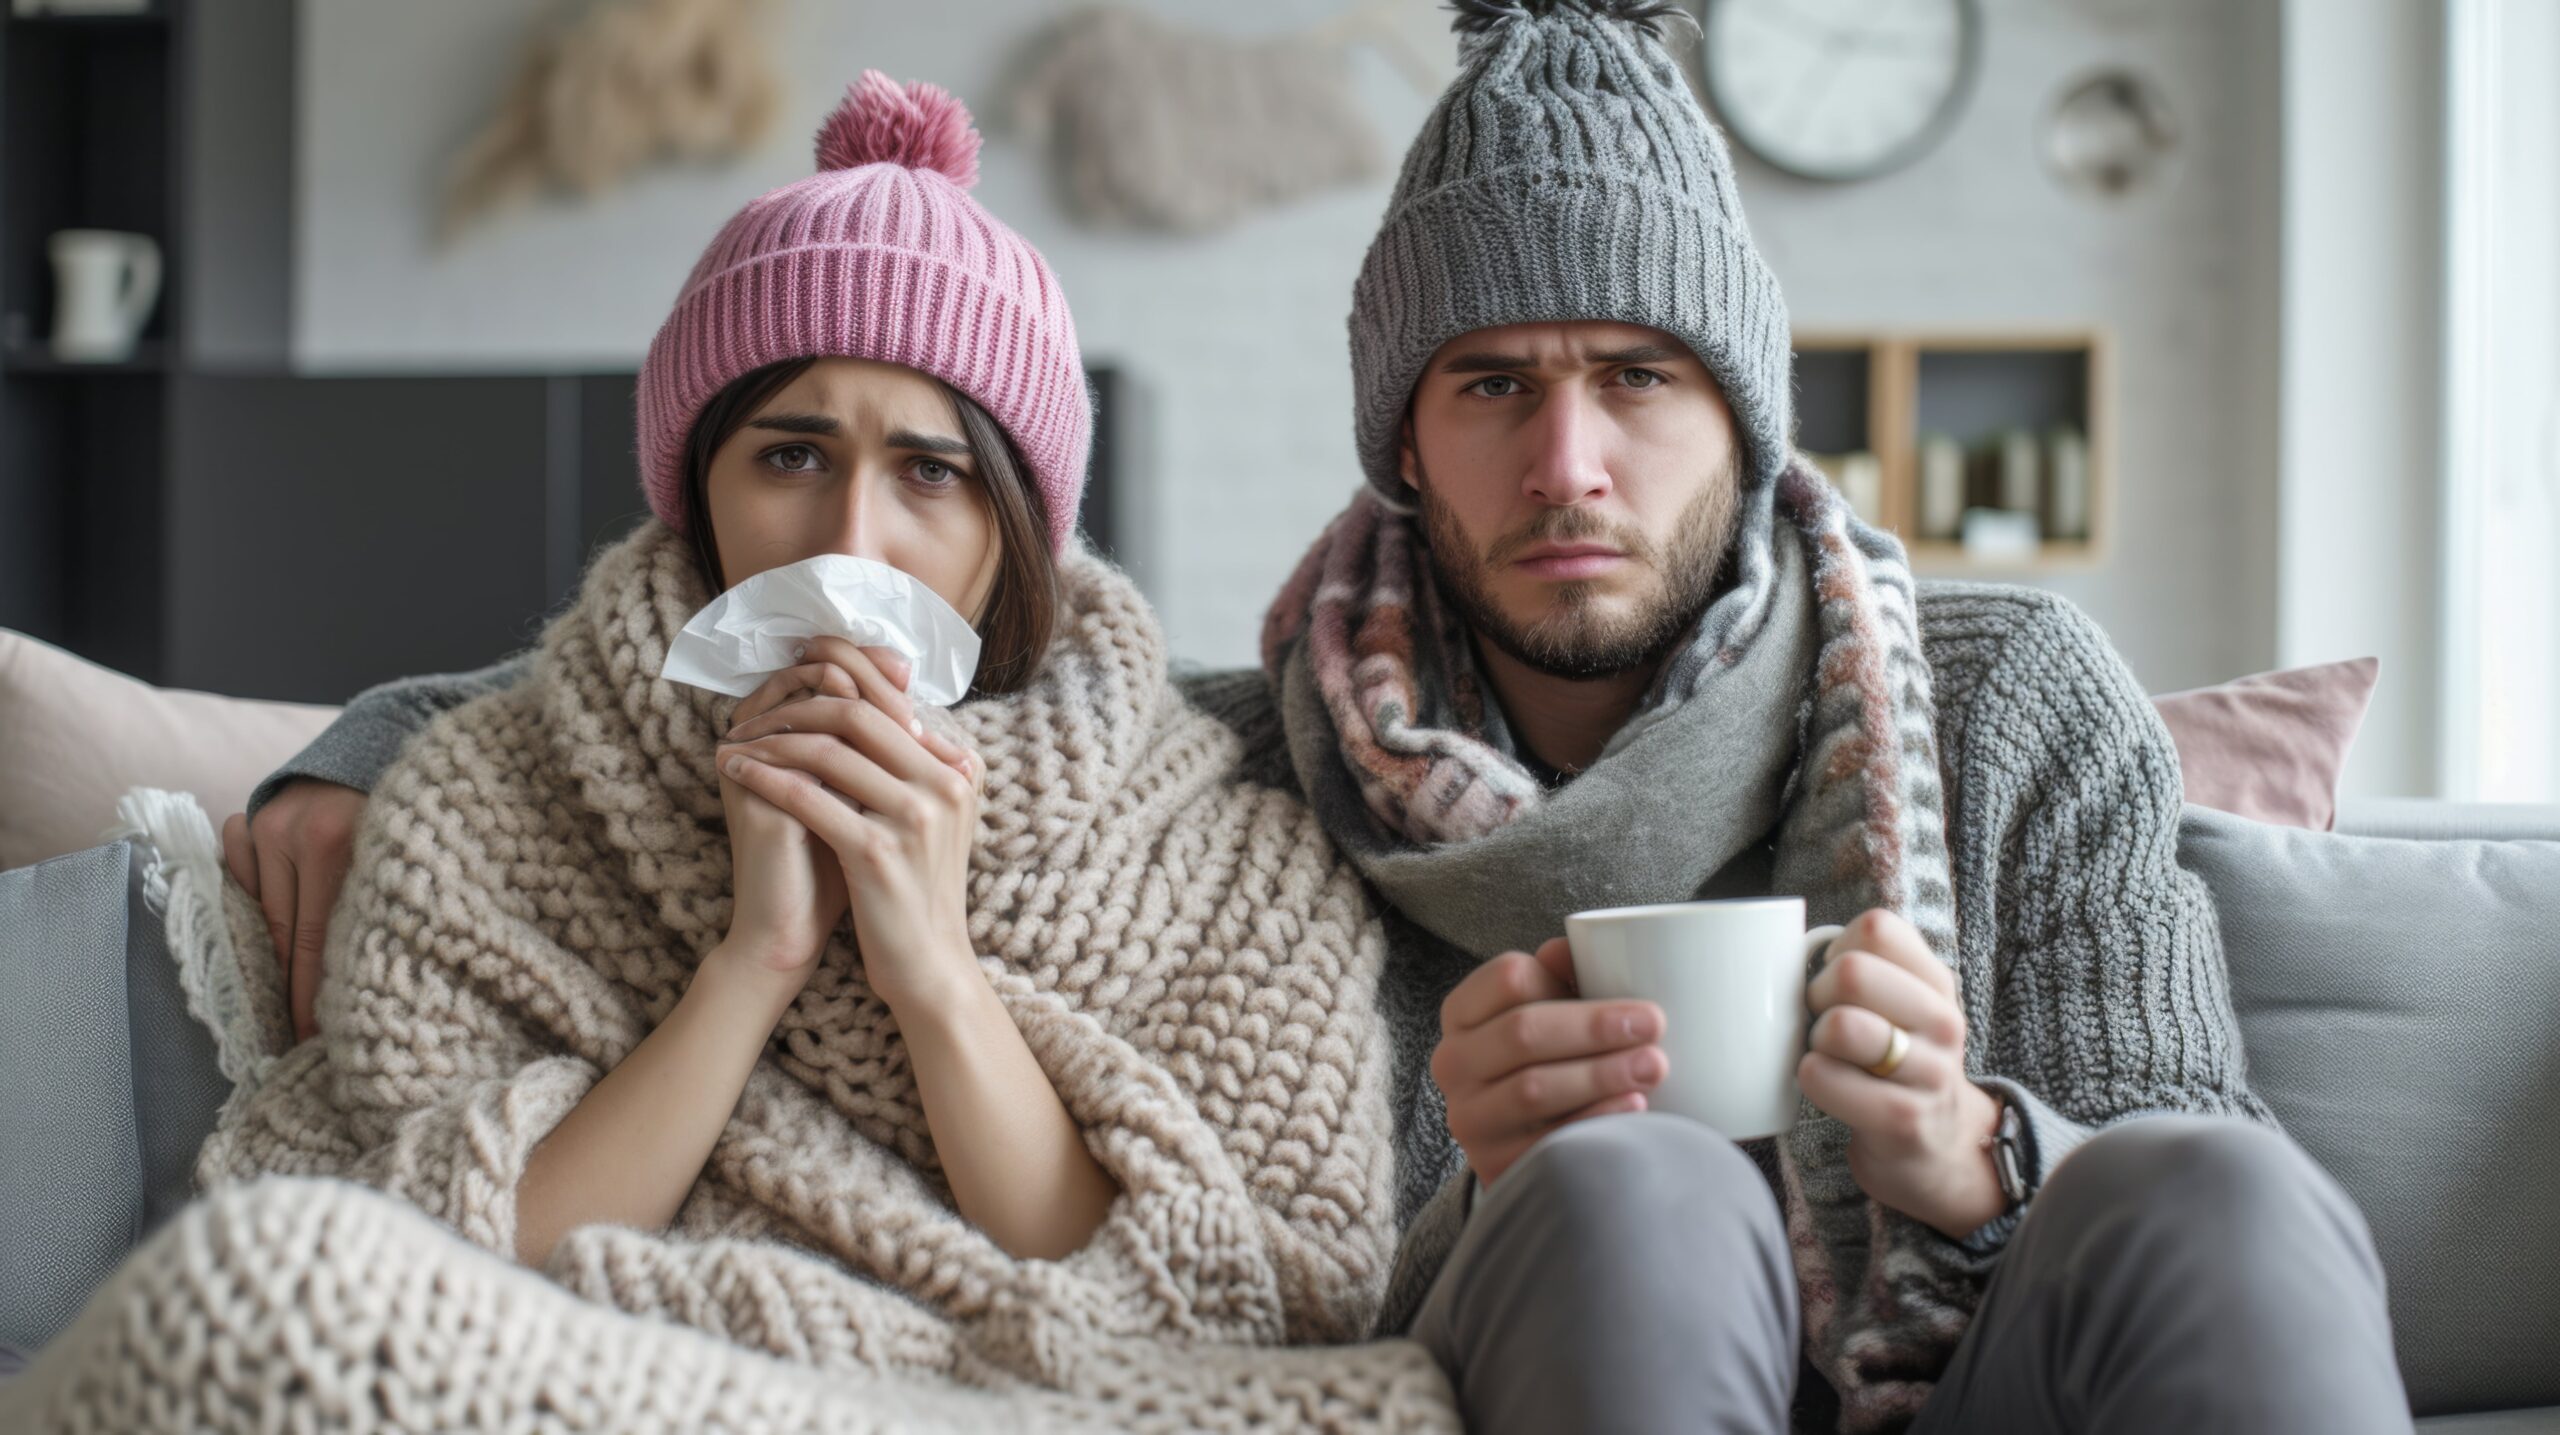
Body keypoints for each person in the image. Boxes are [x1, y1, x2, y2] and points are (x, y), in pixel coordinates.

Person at [227, 7, 2412, 1433]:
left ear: (1742, 418)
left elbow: (2179, 1151)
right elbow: (831, 658)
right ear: (1400, 444)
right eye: (1490, 386)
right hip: (1582, 1331)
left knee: (2204, 1194)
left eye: (1635, 378)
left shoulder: (2010, 697)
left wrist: (1968, 1154)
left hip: (2008, 1366)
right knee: (1628, 1197)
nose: (1565, 459)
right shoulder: (1275, 753)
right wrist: (346, 743)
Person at [169, 68, 1411, 1419]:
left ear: (1017, 535)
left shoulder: (1229, 855)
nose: (849, 545)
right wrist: (753, 959)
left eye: (930, 475)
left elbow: (1213, 1305)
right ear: (697, 486)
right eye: (789, 457)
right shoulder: (481, 801)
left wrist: (929, 962)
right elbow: (444, 1268)